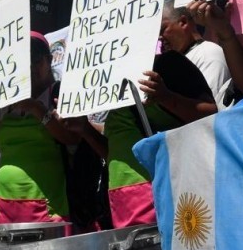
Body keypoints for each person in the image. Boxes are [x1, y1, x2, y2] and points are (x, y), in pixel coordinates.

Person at [67, 51, 217, 228]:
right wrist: (85, 130)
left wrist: (166, 97)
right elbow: (116, 155)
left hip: (170, 195)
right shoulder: (108, 82)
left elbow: (212, 116)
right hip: (124, 205)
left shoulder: (168, 64)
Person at [0, 32, 78, 229]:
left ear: (49, 60)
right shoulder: (6, 101)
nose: (30, 67)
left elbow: (71, 137)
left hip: (46, 205)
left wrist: (36, 109)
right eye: (23, 61)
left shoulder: (59, 93)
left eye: (35, 60)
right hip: (6, 205)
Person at [160, 0, 232, 108]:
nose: (159, 38)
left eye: (162, 30)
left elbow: (211, 111)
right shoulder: (177, 61)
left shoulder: (208, 54)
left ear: (183, 22)